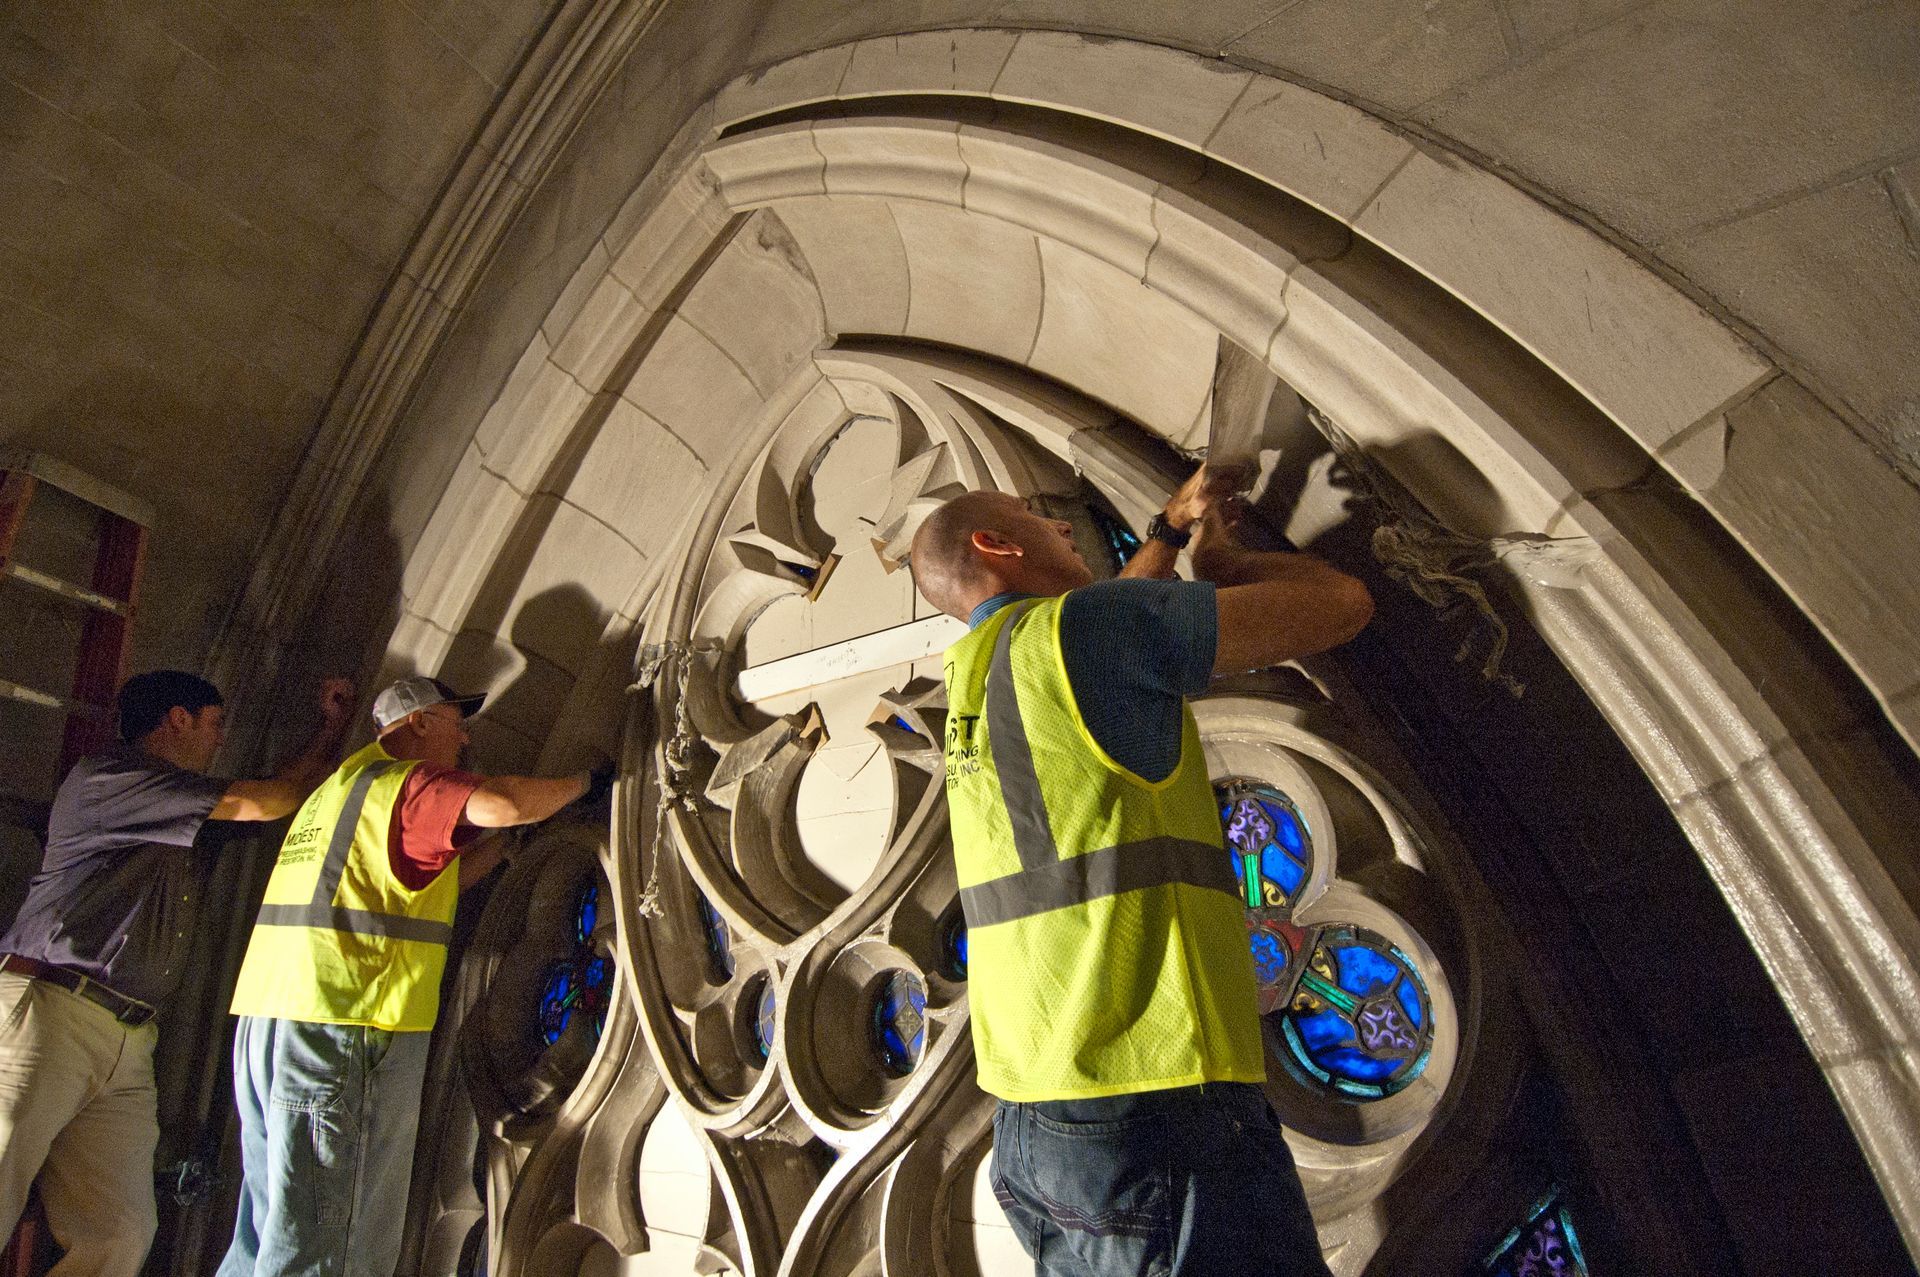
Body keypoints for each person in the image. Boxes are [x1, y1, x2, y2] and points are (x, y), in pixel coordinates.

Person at [909, 466, 1373, 1277]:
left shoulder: (978, 677)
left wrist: (1167, 529)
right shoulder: (1082, 635)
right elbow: (1343, 605)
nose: (1063, 529)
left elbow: (1106, 633)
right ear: (996, 543)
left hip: (1038, 1122)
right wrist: (1224, 564)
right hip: (1154, 1103)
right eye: (1038, 518)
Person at [217, 675, 611, 1277]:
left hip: (272, 1024)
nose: (465, 739)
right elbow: (500, 802)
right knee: (330, 1246)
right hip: (346, 1027)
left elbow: (410, 891)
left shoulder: (341, 792)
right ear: (420, 721)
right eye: (457, 721)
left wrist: (501, 854)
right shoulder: (409, 784)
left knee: (271, 1230)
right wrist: (585, 784)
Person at [0, 669, 356, 1276]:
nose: (219, 740)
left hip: (128, 1037)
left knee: (119, 1231)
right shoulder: (111, 778)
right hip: (51, 1009)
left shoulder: (175, 806)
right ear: (177, 718)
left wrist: (329, 728)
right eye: (214, 723)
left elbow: (271, 798)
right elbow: (264, 798)